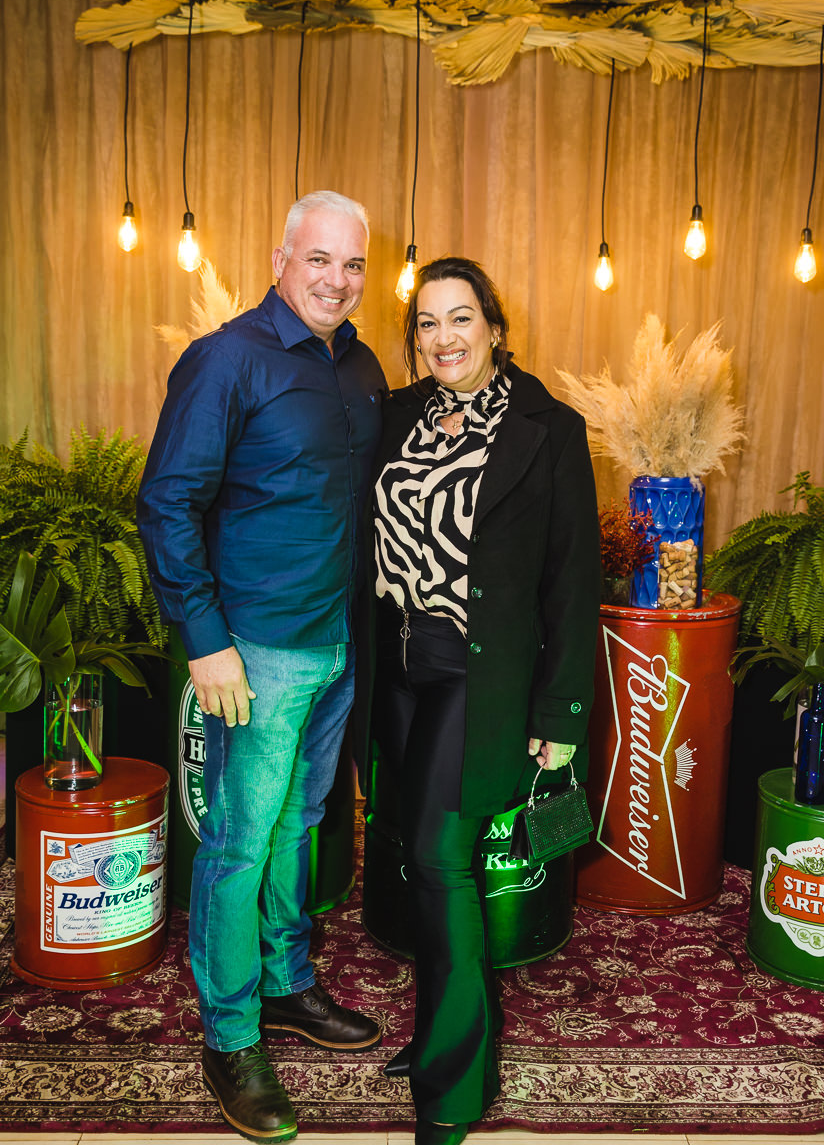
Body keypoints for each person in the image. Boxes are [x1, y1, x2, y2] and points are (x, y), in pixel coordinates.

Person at [137, 190, 387, 1143]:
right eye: (318, 259)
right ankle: (230, 1036)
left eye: (353, 264)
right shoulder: (227, 359)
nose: (336, 279)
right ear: (280, 260)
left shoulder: (361, 366)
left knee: (300, 826)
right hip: (254, 653)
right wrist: (205, 641)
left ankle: (286, 982)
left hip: (337, 644)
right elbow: (167, 502)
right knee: (241, 844)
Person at [369, 256, 600, 1145]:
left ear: (495, 330)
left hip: (480, 671)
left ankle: (456, 1084)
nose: (443, 338)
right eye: (426, 323)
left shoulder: (549, 429)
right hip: (397, 665)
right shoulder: (396, 415)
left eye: (460, 318)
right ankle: (443, 1031)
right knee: (415, 855)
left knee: (440, 859)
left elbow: (571, 582)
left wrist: (561, 717)